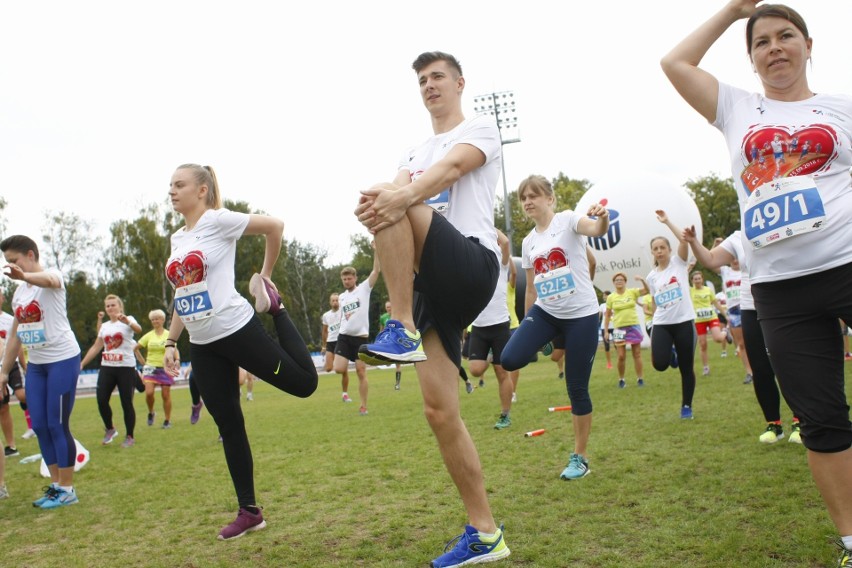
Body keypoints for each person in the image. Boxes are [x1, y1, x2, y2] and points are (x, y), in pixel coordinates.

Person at [662, 3, 852, 562]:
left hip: (847, 265)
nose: (775, 48)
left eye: (785, 36)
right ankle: (850, 538)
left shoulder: (841, 109)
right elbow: (675, 62)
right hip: (780, 290)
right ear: (750, 59)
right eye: (761, 41)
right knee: (820, 420)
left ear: (809, 44)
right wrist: (732, 11)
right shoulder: (737, 108)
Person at [354, 52, 510, 566]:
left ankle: (397, 326)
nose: (429, 85)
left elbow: (448, 171)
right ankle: (485, 534)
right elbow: (394, 203)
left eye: (437, 76)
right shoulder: (413, 149)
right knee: (439, 412)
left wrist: (396, 199)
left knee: (394, 195)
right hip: (429, 285)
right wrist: (374, 212)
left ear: (459, 82)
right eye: (422, 80)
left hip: (470, 261)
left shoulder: (480, 127)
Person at [161, 163, 318, 540]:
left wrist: (264, 277)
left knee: (304, 385)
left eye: (179, 185)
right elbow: (182, 292)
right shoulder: (176, 239)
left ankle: (276, 308)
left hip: (236, 329)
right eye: (170, 186)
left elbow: (275, 226)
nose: (172, 191)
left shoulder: (218, 220)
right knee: (228, 425)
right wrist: (170, 340)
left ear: (201, 190)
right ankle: (249, 511)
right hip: (202, 345)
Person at [501, 174, 609, 483]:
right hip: (546, 313)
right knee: (510, 358)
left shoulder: (567, 220)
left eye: (534, 195)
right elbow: (531, 289)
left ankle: (580, 458)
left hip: (581, 317)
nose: (528, 202)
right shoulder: (529, 241)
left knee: (576, 389)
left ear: (550, 198)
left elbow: (594, 228)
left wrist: (601, 220)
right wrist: (526, 326)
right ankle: (548, 340)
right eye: (523, 198)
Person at [684, 228, 801, 444]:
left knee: (788, 363)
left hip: (781, 303)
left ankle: (800, 421)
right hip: (749, 306)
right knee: (760, 368)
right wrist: (692, 242)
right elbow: (710, 260)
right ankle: (774, 425)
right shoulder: (738, 236)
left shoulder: (780, 227)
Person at [0, 235, 82, 508]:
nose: (11, 267)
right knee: (40, 426)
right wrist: (3, 372)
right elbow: (15, 335)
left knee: (58, 424)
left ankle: (68, 489)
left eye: (15, 261)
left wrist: (26, 275)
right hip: (36, 365)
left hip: (62, 359)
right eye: (7, 262)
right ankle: (57, 485)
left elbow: (48, 281)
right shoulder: (20, 293)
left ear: (31, 254)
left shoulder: (52, 276)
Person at [645, 211, 698, 419]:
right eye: (655, 249)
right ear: (653, 252)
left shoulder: (679, 263)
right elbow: (656, 301)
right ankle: (671, 354)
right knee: (659, 364)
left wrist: (667, 222)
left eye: (662, 248)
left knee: (686, 368)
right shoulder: (652, 277)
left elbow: (683, 239)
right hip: (662, 324)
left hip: (684, 322)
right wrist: (652, 317)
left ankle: (686, 406)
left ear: (669, 250)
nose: (659, 251)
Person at [81, 294, 143, 448]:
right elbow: (97, 346)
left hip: (125, 367)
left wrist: (127, 321)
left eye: (113, 305)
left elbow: (138, 329)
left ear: (119, 306)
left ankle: (130, 436)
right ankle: (110, 428)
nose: (110, 308)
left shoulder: (128, 319)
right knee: (101, 399)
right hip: (107, 367)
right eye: (107, 306)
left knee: (126, 402)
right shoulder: (105, 326)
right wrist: (81, 364)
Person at [468, 230, 514, 429]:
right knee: (475, 370)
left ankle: (505, 415)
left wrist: (484, 222)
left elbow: (505, 243)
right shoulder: (472, 269)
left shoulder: (501, 267)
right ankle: (491, 357)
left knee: (501, 372)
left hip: (499, 325)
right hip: (479, 326)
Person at [333, 256, 380, 415]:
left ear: (355, 278)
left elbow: (376, 271)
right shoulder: (341, 297)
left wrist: (377, 251)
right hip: (344, 337)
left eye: (349, 278)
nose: (346, 281)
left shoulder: (364, 289)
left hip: (360, 338)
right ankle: (346, 385)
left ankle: (363, 406)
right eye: (344, 279)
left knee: (361, 372)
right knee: (338, 368)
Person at [0, 291, 33, 456]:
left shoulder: (9, 320)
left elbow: (17, 343)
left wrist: (25, 366)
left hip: (10, 365)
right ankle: (10, 446)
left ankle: (40, 417)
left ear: (2, 298)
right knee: (3, 407)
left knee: (21, 395)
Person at [603, 273, 649, 388]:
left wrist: (642, 279)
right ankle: (621, 379)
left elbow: (647, 290)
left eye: (621, 279)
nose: (619, 281)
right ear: (614, 283)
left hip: (633, 327)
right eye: (617, 280)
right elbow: (608, 315)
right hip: (619, 329)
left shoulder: (632, 292)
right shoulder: (611, 297)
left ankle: (640, 379)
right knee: (621, 356)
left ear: (625, 281)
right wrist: (606, 331)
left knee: (637, 354)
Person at [134, 309, 174, 429]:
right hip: (150, 367)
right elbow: (135, 347)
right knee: (149, 393)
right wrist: (143, 362)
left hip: (165, 367)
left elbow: (173, 349)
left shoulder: (168, 334)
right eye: (153, 319)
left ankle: (167, 420)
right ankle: (151, 412)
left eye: (157, 318)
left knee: (165, 395)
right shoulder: (149, 335)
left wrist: (176, 360)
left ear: (162, 320)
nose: (155, 321)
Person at [689, 271, 728, 376]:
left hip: (711, 317)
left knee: (718, 339)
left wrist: (725, 315)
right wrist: (689, 268)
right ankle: (706, 367)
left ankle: (725, 332)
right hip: (699, 320)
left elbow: (716, 303)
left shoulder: (708, 290)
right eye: (695, 279)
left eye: (699, 278)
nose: (697, 280)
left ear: (702, 279)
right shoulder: (690, 291)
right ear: (692, 281)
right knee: (703, 344)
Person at [320, 293, 347, 396]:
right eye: (333, 300)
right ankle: (338, 362)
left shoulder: (344, 312)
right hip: (331, 342)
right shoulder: (326, 315)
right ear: (330, 302)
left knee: (342, 371)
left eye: (337, 300)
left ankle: (345, 393)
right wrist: (324, 346)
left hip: (341, 341)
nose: (335, 302)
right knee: (328, 369)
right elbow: (324, 331)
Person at [379, 300, 403, 390]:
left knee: (398, 364)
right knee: (388, 362)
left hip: (396, 341)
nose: (389, 308)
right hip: (387, 342)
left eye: (390, 307)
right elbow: (381, 330)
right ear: (385, 308)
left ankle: (397, 384)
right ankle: (388, 360)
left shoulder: (397, 317)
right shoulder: (383, 318)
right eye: (387, 307)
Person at [598, 291, 614, 370]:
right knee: (607, 346)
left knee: (618, 345)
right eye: (604, 296)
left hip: (615, 327)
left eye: (605, 295)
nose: (604, 297)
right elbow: (599, 317)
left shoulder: (614, 304)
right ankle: (609, 363)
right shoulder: (602, 306)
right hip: (604, 328)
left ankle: (621, 360)